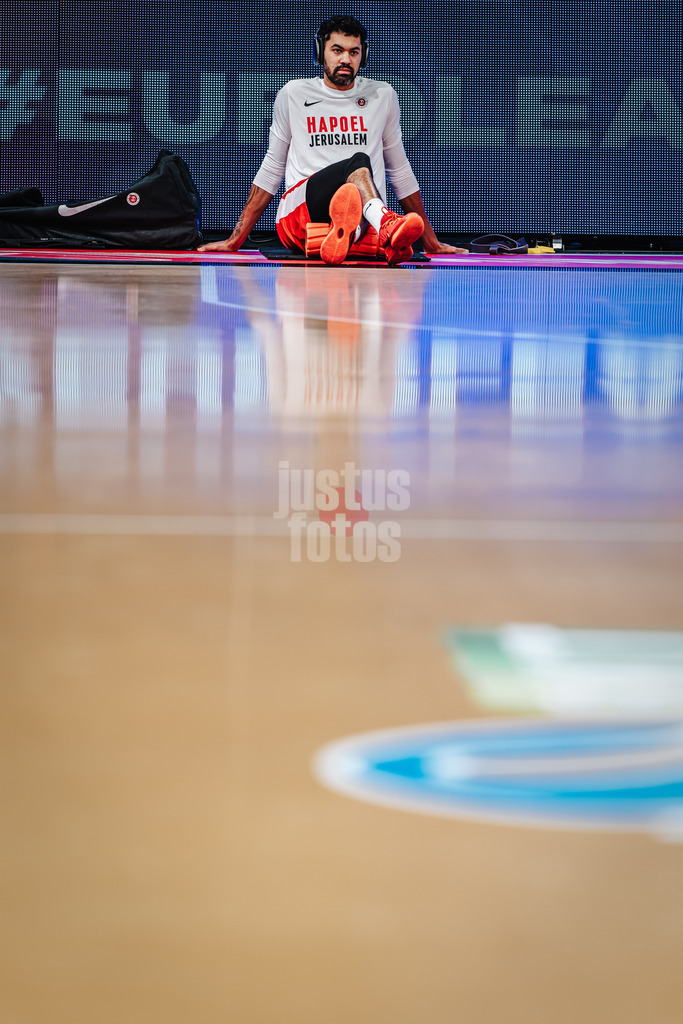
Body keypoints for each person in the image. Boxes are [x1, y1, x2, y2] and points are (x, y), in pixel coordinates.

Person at [199, 14, 467, 265]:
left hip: (358, 219)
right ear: (320, 53)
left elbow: (398, 170)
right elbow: (272, 167)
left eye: (354, 52)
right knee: (358, 163)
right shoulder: (293, 93)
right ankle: (383, 222)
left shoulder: (382, 95)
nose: (346, 60)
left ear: (364, 56)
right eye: (337, 50)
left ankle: (354, 230)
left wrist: (431, 243)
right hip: (302, 213)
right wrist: (234, 241)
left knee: (353, 192)